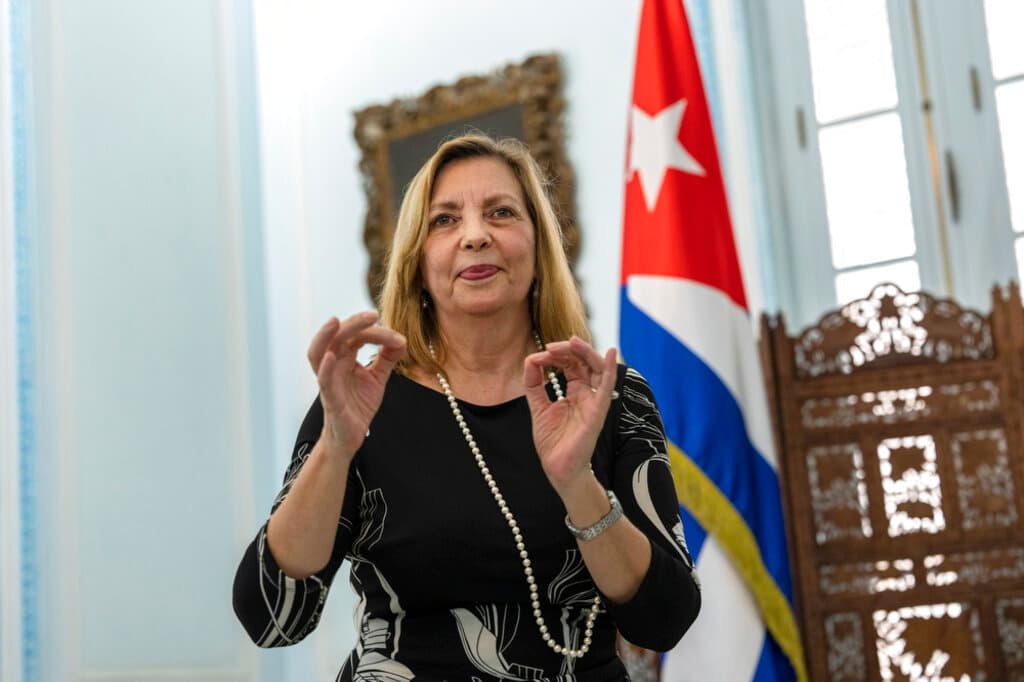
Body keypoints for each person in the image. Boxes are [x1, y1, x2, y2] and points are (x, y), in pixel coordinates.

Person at [232, 133, 701, 681]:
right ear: (417, 263)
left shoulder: (606, 396)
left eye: (501, 213)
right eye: (445, 220)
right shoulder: (363, 400)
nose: (475, 236)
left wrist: (577, 484)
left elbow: (664, 620)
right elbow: (270, 618)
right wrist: (336, 448)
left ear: (539, 247)